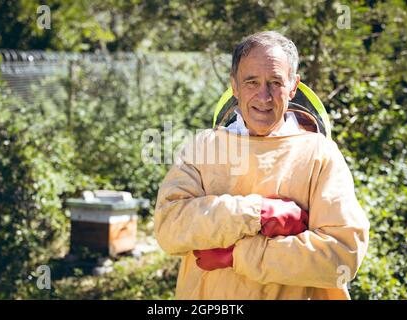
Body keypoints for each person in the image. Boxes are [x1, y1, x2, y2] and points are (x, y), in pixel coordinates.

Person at [154, 31, 370, 300]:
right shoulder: (203, 148)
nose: (264, 96)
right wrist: (259, 213)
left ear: (293, 85)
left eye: (275, 82)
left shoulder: (320, 154)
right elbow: (169, 228)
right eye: (251, 82)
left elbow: (341, 256)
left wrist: (236, 256)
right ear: (234, 86)